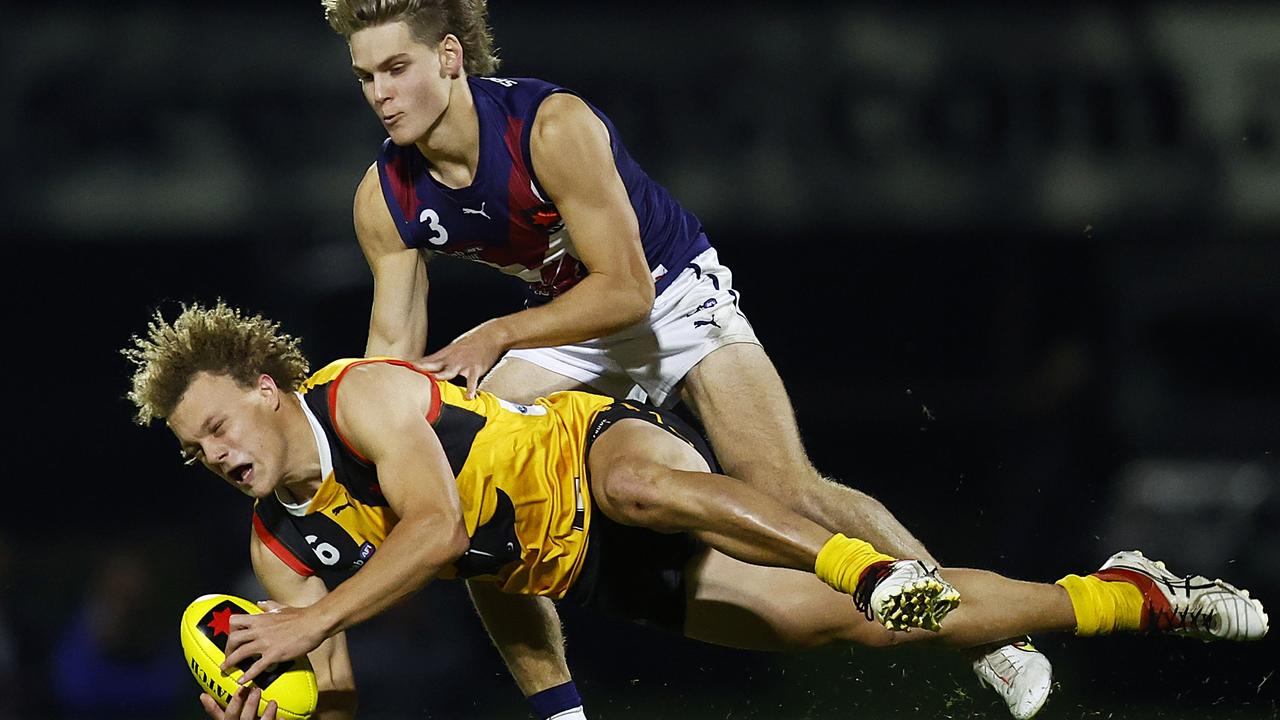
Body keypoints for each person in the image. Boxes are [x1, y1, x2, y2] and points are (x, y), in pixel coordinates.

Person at [319, 1, 1053, 716]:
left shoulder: (548, 127)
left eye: (395, 68)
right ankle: (561, 712)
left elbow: (627, 291)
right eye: (365, 77)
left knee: (787, 487)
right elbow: (387, 369)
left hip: (666, 295)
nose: (381, 95)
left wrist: (497, 335)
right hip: (568, 326)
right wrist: (337, 476)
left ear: (449, 58)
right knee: (474, 477)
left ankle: (985, 637)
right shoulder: (384, 199)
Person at [122, 302, 1269, 720]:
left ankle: (854, 559)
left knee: (642, 482)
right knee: (894, 631)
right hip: (585, 576)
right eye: (192, 450)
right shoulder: (280, 551)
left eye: (219, 425)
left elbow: (431, 534)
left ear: (267, 392)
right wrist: (273, 708)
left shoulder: (359, 397)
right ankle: (1131, 598)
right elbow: (404, 644)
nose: (214, 453)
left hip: (590, 450)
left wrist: (311, 626)